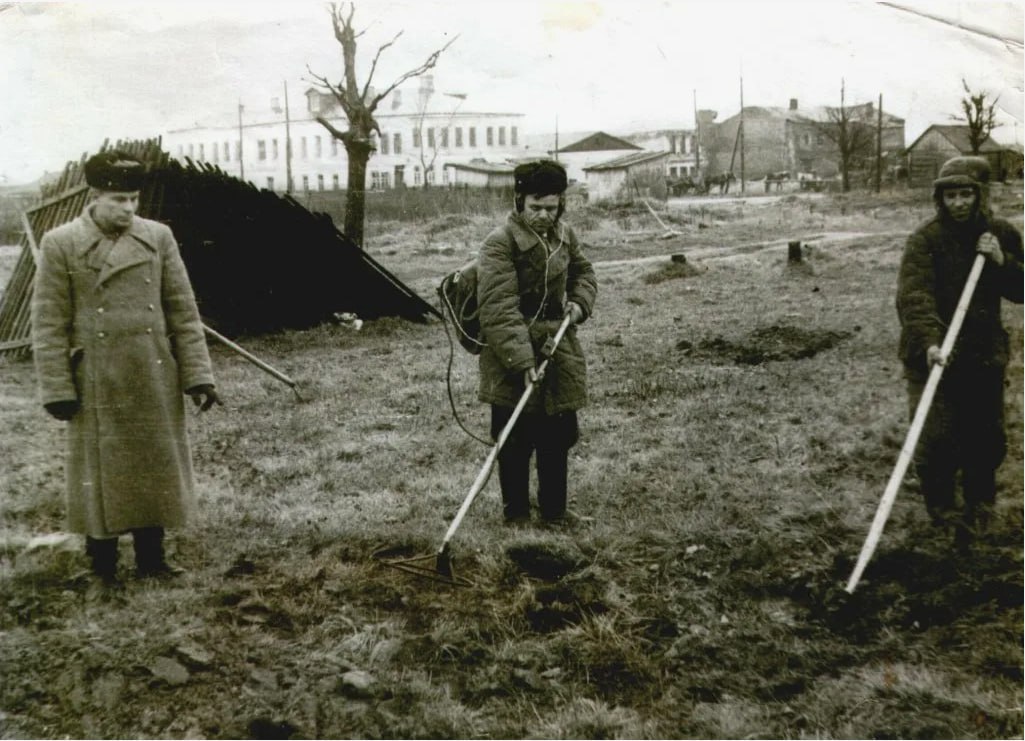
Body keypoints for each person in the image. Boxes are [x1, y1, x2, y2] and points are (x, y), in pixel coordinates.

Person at [31, 151, 222, 585]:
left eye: (134, 199)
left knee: (153, 464)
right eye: (118, 199)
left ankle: (153, 559)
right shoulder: (61, 243)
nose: (129, 208)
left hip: (152, 372)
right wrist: (57, 388)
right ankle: (101, 564)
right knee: (98, 472)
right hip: (96, 379)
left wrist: (198, 375)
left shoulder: (158, 237)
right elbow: (48, 323)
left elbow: (183, 312)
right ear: (95, 197)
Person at [896, 155, 1022, 545]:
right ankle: (943, 512)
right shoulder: (925, 239)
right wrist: (930, 342)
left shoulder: (1000, 234)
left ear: (980, 195)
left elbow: (1020, 289)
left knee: (985, 437)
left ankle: (980, 505)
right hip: (932, 354)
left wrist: (1001, 261)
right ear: (940, 198)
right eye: (950, 196)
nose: (959, 203)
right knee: (936, 438)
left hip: (982, 353)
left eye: (966, 194)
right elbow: (914, 297)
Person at [476, 160, 597, 525]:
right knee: (514, 437)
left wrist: (580, 302)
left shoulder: (565, 235)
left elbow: (583, 272)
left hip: (559, 348)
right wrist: (522, 361)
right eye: (535, 207)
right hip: (510, 352)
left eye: (551, 207)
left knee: (557, 433)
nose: (544, 215)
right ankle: (516, 516)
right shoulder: (499, 243)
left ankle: (555, 512)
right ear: (519, 202)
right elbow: (498, 308)